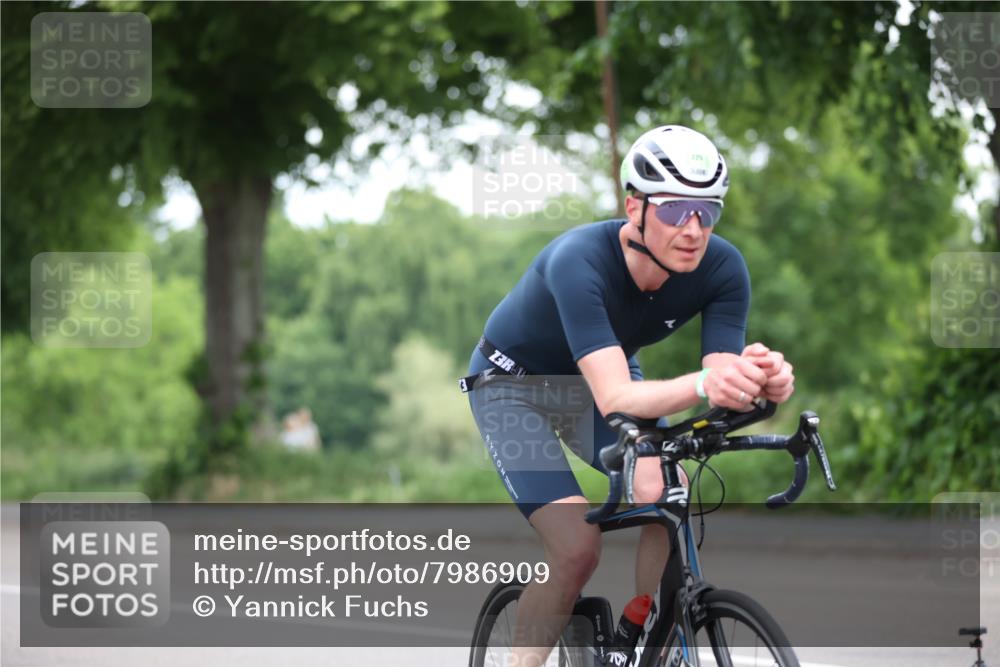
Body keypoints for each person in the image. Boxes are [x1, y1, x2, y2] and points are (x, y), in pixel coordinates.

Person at [462, 125, 795, 666]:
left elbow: (720, 380)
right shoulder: (579, 261)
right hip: (513, 387)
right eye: (674, 210)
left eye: (707, 211)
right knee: (576, 551)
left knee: (666, 485)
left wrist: (761, 383)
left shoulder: (723, 268)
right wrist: (706, 383)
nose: (692, 229)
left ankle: (639, 634)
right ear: (634, 207)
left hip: (599, 374)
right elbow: (617, 395)